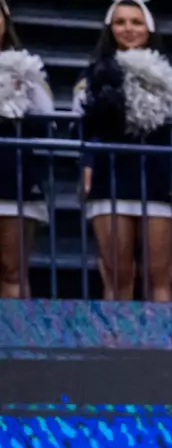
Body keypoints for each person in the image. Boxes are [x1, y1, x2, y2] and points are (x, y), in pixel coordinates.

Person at [73, 0, 172, 300]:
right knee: (117, 274)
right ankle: (115, 344)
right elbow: (83, 130)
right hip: (109, 179)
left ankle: (163, 343)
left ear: (149, 29)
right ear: (110, 29)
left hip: (157, 178)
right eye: (121, 22)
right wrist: (86, 170)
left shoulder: (168, 76)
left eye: (136, 22)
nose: (128, 29)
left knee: (159, 275)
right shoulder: (92, 76)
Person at [0, 0, 52, 298]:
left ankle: (15, 343)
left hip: (14, 180)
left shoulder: (25, 67)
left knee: (12, 270)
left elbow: (48, 119)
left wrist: (25, 86)